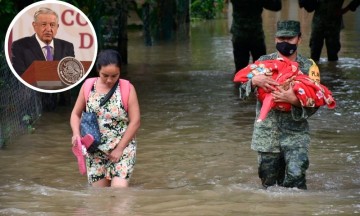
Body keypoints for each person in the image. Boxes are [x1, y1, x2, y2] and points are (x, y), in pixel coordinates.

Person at [238, 20, 320, 189]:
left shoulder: (308, 67)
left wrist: (293, 100)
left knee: (296, 180)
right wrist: (253, 81)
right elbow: (242, 94)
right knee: (269, 184)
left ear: (299, 39)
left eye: (290, 38)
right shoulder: (263, 63)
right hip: (267, 134)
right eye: (281, 38)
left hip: (296, 134)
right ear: (275, 39)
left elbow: (316, 102)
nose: (285, 42)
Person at [70, 49, 141, 187]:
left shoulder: (127, 88)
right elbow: (75, 114)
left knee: (118, 191)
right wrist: (76, 134)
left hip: (122, 149)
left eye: (115, 76)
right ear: (98, 70)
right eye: (105, 75)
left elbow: (135, 121)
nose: (109, 80)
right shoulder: (87, 86)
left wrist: (120, 148)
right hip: (95, 150)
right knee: (99, 197)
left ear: (120, 71)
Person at [11, 7, 75, 76]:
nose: (48, 29)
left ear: (57, 27)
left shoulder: (67, 47)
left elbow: (72, 75)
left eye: (52, 25)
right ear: (34, 25)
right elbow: (19, 75)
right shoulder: (20, 46)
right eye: (43, 24)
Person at [229, 0, 282, 73]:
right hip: (256, 36)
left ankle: (239, 83)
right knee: (261, 69)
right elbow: (277, 6)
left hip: (239, 35)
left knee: (240, 71)